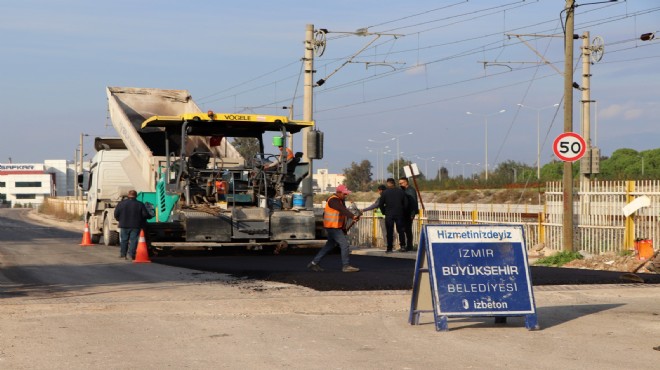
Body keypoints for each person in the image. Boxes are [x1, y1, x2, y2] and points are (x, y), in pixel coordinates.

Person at [307, 184, 361, 272]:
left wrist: (345, 228)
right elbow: (342, 209)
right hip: (333, 227)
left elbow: (342, 215)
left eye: (346, 194)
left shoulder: (340, 200)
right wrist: (352, 216)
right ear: (339, 193)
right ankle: (346, 266)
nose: (346, 195)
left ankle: (314, 263)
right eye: (344, 194)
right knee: (344, 245)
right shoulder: (333, 200)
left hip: (335, 227)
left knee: (329, 246)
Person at [114, 189, 151, 260]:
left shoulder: (121, 203)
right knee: (133, 240)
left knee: (124, 240)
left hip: (124, 225)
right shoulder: (140, 204)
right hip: (136, 225)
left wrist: (120, 220)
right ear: (136, 196)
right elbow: (145, 215)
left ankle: (123, 254)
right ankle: (131, 255)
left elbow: (116, 214)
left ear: (128, 195)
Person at [377, 178, 408, 253]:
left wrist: (384, 212)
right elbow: (406, 203)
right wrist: (403, 211)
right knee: (401, 230)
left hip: (389, 214)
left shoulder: (385, 193)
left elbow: (380, 204)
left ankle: (389, 248)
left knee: (389, 231)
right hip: (399, 214)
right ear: (394, 183)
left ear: (388, 183)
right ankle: (403, 246)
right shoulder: (401, 192)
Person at [399, 176, 419, 252]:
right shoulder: (404, 190)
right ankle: (407, 245)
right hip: (404, 213)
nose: (400, 184)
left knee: (408, 230)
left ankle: (409, 246)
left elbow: (413, 203)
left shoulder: (410, 190)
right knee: (404, 229)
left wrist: (412, 214)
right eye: (399, 183)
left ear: (406, 182)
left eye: (401, 183)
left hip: (409, 213)